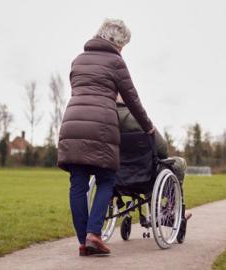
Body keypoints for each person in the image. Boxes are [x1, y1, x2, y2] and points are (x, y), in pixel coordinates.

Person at [57, 19, 154, 256]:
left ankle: (84, 241)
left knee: (77, 184)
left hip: (72, 123)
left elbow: (78, 90)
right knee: (107, 179)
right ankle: (93, 235)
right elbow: (132, 99)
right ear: (118, 42)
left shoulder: (77, 60)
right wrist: (148, 127)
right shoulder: (116, 62)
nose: (123, 50)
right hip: (101, 125)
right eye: (123, 45)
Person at [116, 95, 192, 220]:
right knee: (179, 163)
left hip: (117, 176)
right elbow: (162, 150)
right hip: (144, 176)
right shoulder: (139, 118)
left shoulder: (104, 119)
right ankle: (172, 208)